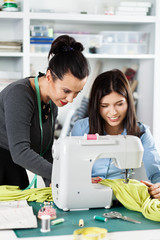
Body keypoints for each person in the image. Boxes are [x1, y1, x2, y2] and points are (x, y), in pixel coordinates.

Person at [0, 35, 89, 189]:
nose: (70, 99)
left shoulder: (51, 102)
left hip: (14, 167)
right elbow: (20, 152)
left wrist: (54, 184)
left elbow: (45, 151)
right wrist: (63, 175)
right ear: (49, 76)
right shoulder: (19, 94)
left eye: (77, 93)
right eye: (66, 91)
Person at [71, 69, 160, 200]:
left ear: (128, 102)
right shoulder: (81, 129)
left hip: (122, 198)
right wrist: (81, 180)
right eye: (105, 105)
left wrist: (158, 186)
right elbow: (72, 170)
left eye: (119, 104)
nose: (113, 112)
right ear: (96, 105)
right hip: (86, 196)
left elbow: (156, 172)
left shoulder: (141, 132)